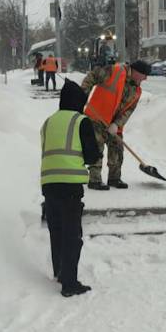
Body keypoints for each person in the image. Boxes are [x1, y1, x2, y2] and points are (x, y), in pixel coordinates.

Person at [41, 79, 100, 297]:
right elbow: (92, 155)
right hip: (70, 184)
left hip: (48, 183)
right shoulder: (81, 121)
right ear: (78, 102)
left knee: (56, 231)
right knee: (72, 234)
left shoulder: (48, 122)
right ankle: (69, 283)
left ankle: (59, 272)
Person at [81, 60, 151, 190]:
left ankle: (114, 178)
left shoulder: (137, 90)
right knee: (97, 147)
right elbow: (93, 75)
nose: (145, 78)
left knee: (117, 148)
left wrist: (116, 124)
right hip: (97, 117)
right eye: (144, 75)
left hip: (113, 124)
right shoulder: (114, 71)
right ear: (136, 71)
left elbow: (128, 111)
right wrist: (83, 94)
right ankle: (94, 180)